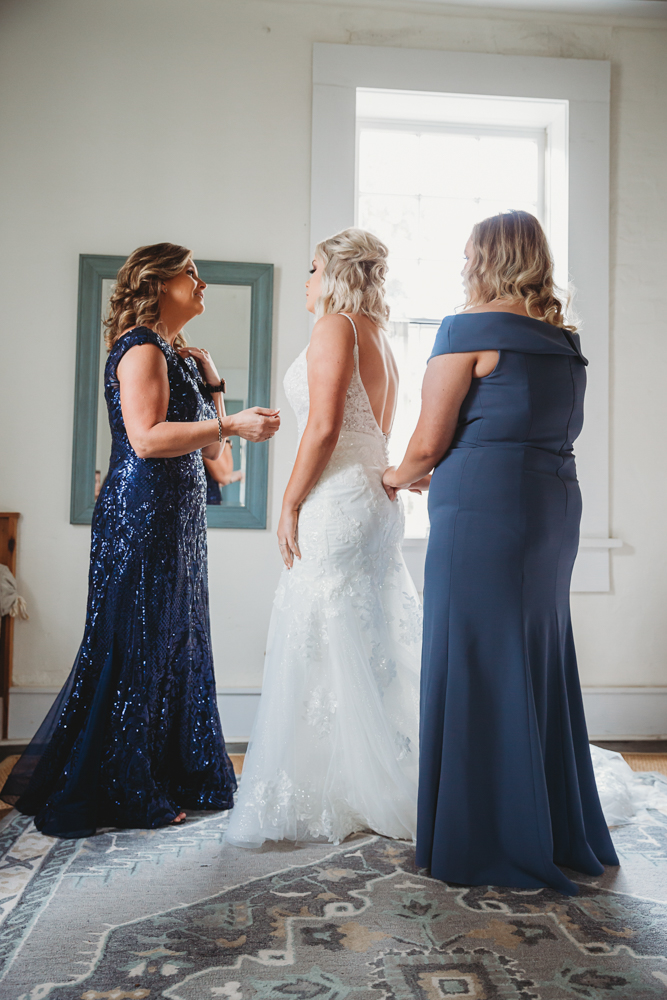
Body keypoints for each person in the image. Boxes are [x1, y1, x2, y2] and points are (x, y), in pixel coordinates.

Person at [1, 243, 280, 838]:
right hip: (140, 517)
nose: (202, 284)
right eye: (192, 275)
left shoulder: (178, 356)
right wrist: (229, 421)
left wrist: (216, 387)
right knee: (137, 644)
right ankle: (123, 788)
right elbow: (148, 438)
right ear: (159, 284)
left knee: (173, 642)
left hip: (177, 523)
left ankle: (170, 776)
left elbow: (219, 464)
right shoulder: (140, 348)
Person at [383, 211, 619, 895]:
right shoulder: (562, 341)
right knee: (530, 654)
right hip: (550, 507)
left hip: (482, 508)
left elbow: (427, 443)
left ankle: (482, 835)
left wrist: (392, 477)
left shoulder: (466, 330)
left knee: (472, 654)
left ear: (484, 258)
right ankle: (541, 822)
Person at [226, 229, 422, 848]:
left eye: (312, 269)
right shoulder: (380, 337)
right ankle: (364, 777)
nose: (306, 282)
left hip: (338, 502)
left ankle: (344, 787)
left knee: (319, 636)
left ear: (335, 275)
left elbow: (326, 427)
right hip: (374, 498)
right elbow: (378, 432)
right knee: (365, 639)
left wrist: (287, 502)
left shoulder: (336, 326)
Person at [203, 441, 244, 505]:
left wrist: (235, 477)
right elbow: (225, 476)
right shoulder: (205, 433)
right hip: (206, 505)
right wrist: (227, 441)